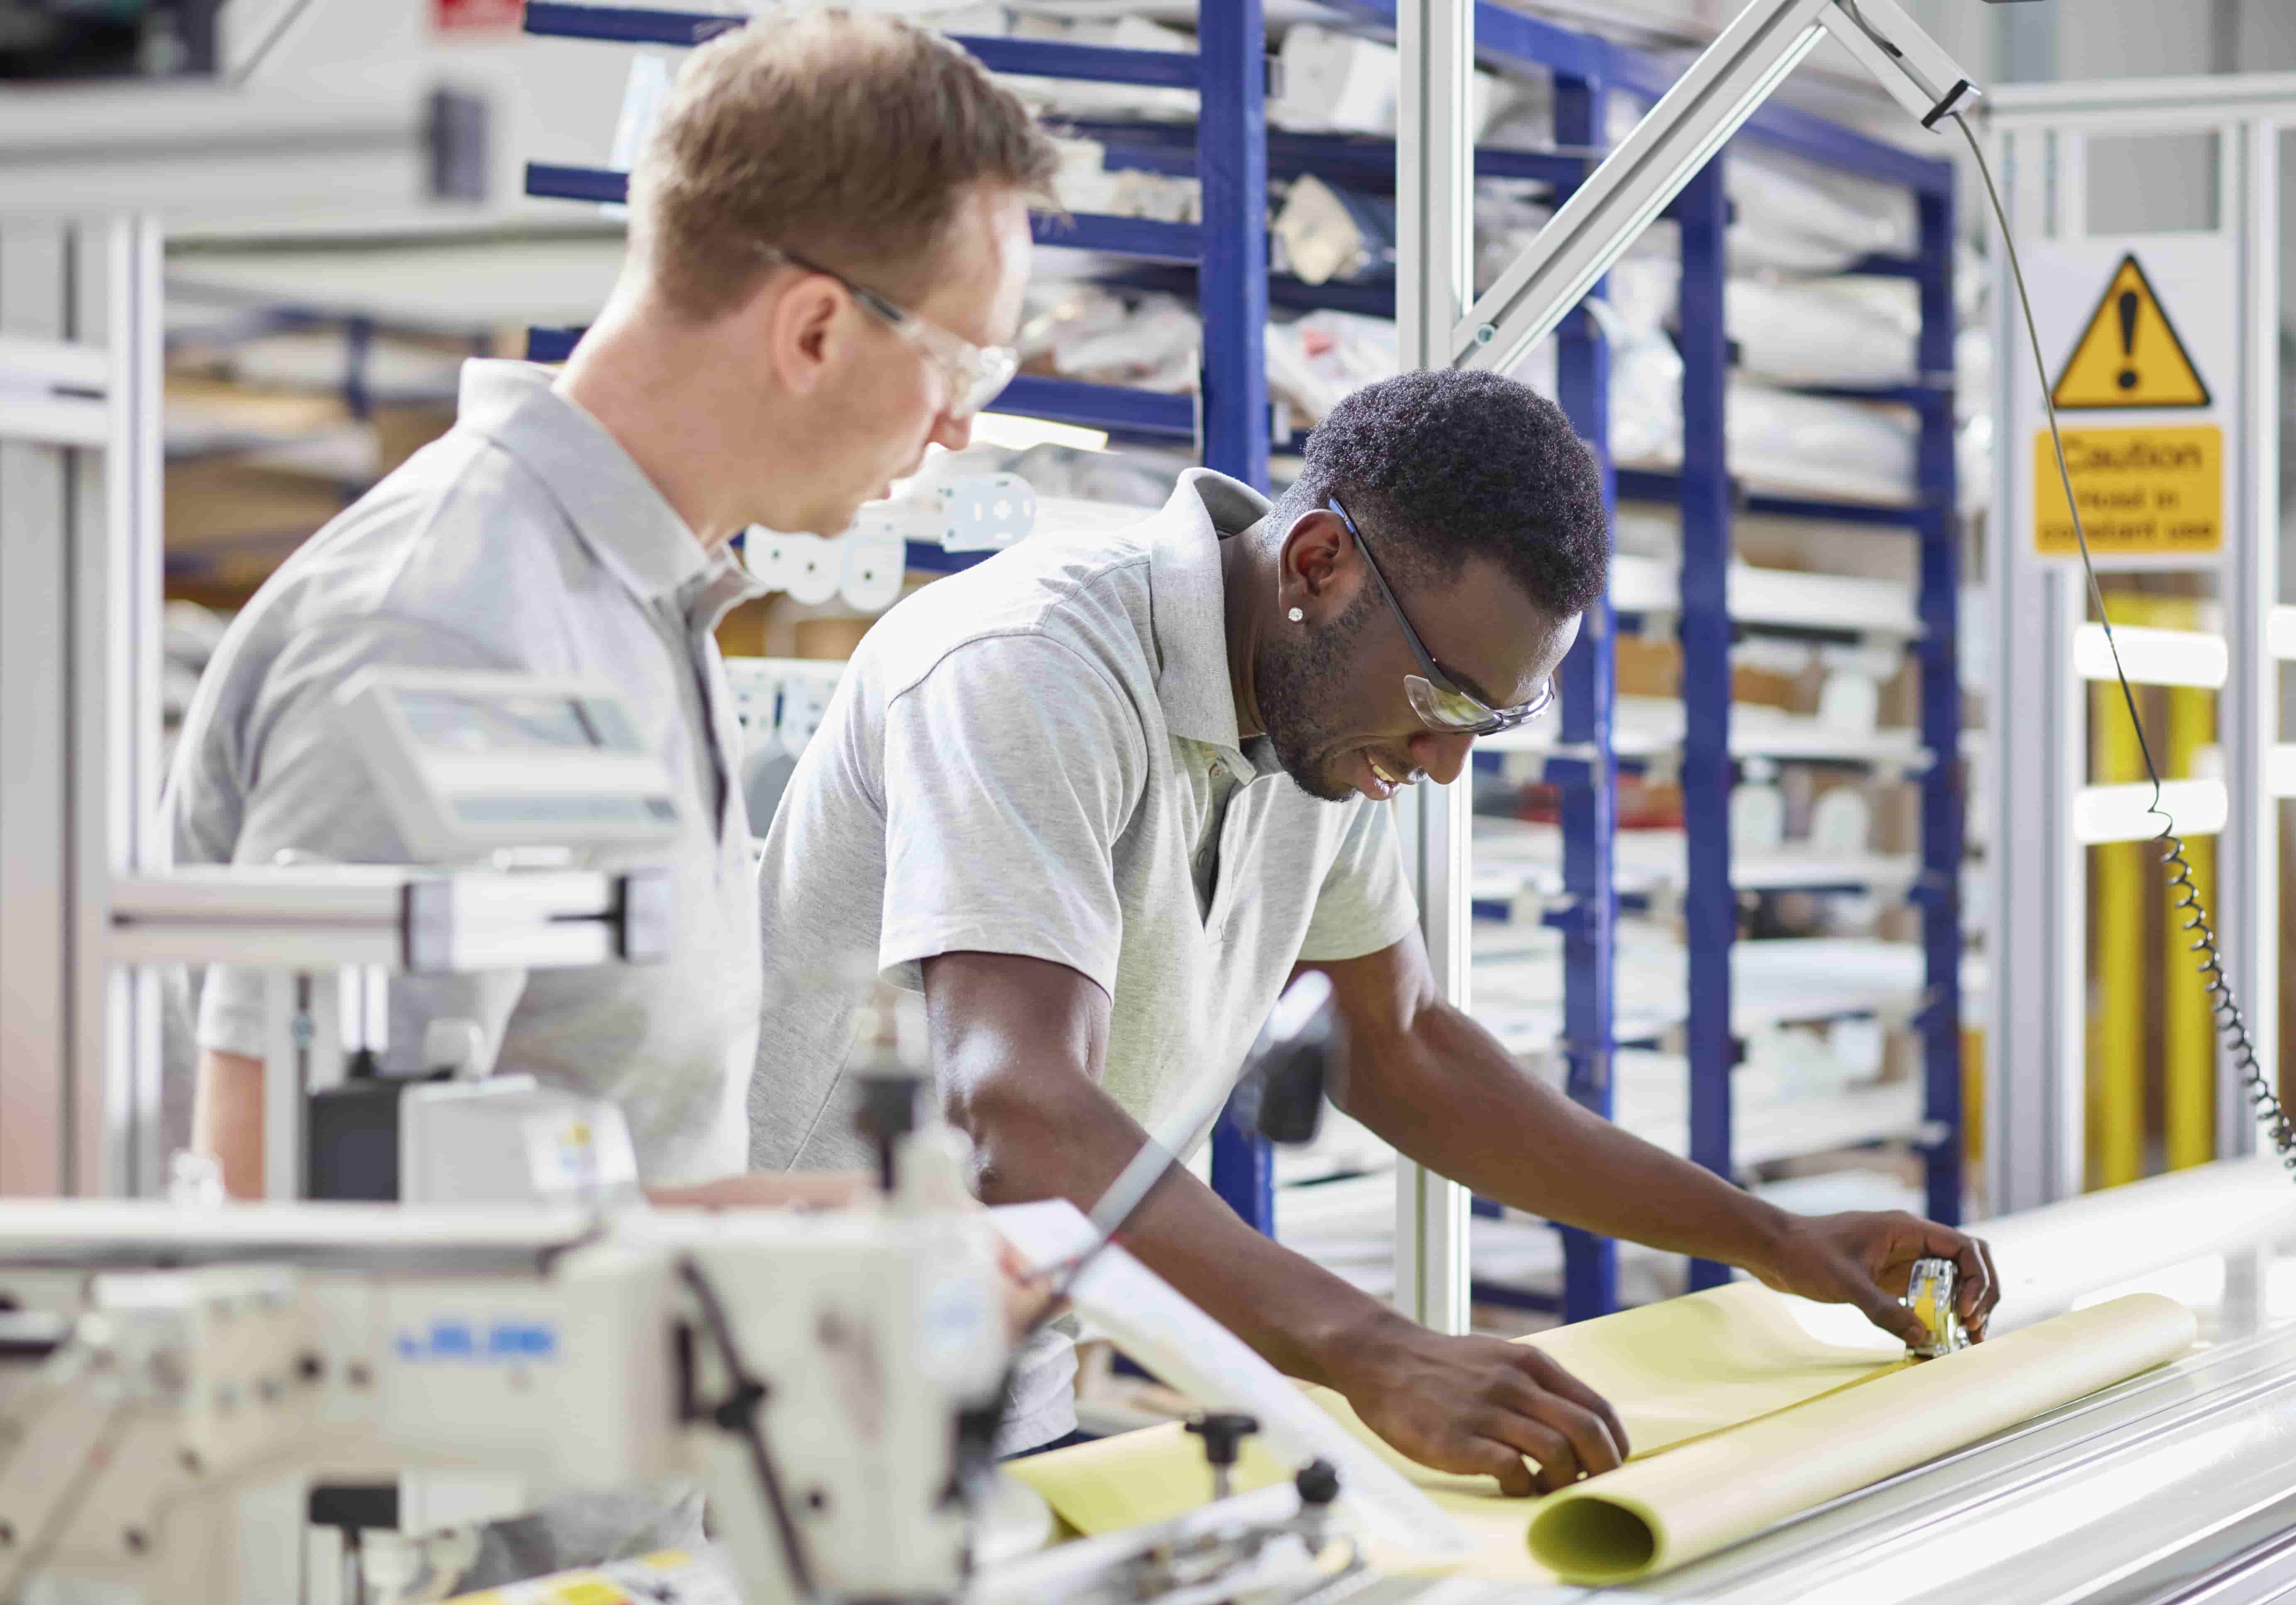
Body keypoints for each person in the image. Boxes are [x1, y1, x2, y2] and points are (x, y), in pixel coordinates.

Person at [160, 11, 1056, 1582]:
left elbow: (574, 1149)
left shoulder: (635, 610)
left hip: (601, 1543)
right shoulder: (453, 629)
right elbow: (297, 1225)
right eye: (963, 361)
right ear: (814, 331)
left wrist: (834, 1237)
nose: (961, 428)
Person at [752, 367, 2000, 1483]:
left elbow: (1402, 1044)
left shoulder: (1320, 729)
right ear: (1315, 567)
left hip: (993, 1398)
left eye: (1488, 722)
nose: (1446, 764)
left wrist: (1771, 1237)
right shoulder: (1028, 667)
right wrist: (1374, 1350)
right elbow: (1014, 1113)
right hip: (761, 1402)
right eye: (1441, 699)